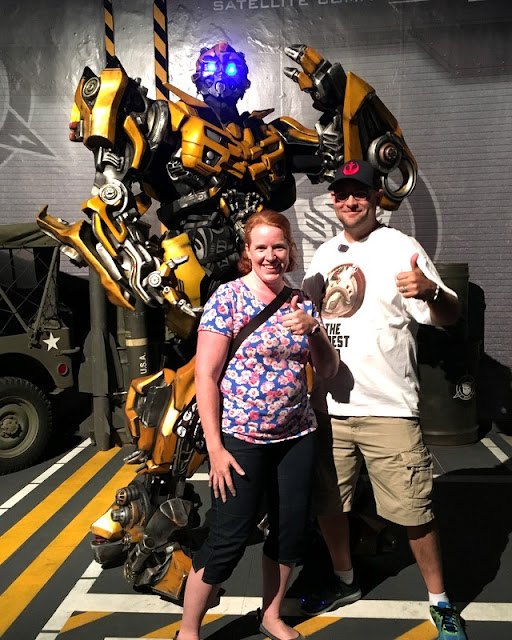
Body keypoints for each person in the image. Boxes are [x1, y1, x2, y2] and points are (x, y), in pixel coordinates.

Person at [301, 160, 468, 640]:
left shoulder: (401, 247)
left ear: (377, 197)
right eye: (342, 193)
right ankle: (345, 580)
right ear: (332, 200)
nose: (350, 201)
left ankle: (440, 602)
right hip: (329, 408)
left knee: (415, 512)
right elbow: (308, 315)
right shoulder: (324, 254)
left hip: (388, 408)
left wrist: (431, 291)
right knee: (330, 504)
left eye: (360, 192)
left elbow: (450, 313)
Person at [176, 209, 339, 640]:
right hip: (240, 439)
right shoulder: (227, 299)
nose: (271, 256)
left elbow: (328, 369)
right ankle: (188, 630)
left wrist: (314, 329)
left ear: (290, 250)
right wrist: (215, 448)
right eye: (261, 247)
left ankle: (271, 615)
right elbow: (206, 376)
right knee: (227, 538)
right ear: (248, 252)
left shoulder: (301, 302)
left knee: (289, 533)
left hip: (296, 437)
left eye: (278, 246)